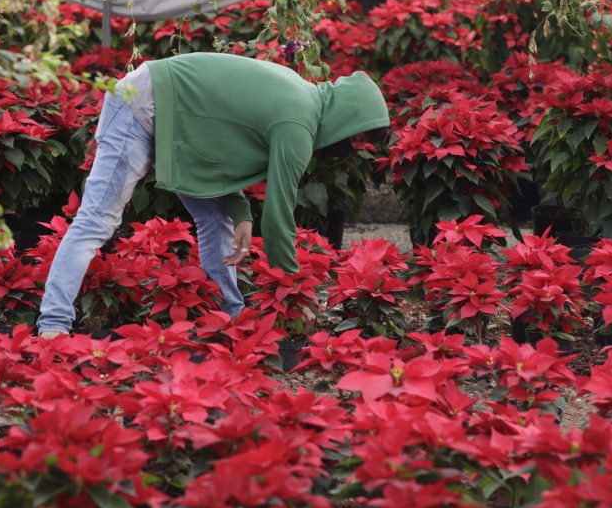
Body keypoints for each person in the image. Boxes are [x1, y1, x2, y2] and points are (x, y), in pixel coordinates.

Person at [36, 52, 390, 337]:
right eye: (359, 136)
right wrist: (293, 291)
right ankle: (53, 324)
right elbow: (280, 215)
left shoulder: (301, 96)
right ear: (349, 117)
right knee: (97, 220)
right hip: (141, 104)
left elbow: (220, 141)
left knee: (215, 220)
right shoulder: (298, 123)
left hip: (174, 114)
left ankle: (231, 319)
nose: (354, 146)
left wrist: (241, 213)